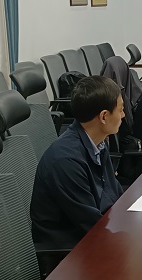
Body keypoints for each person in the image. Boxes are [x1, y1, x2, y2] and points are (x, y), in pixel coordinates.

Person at [30, 75, 124, 248]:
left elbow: (112, 191)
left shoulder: (98, 142)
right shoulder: (66, 161)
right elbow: (89, 223)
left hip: (94, 231)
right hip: (69, 250)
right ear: (104, 116)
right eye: (120, 110)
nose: (123, 115)